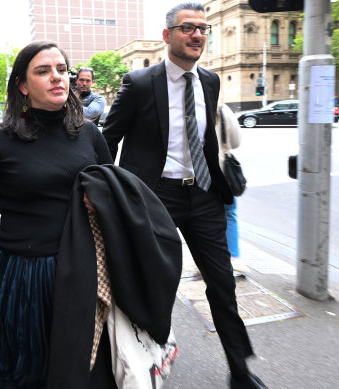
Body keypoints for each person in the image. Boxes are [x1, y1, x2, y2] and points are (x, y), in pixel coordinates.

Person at [102, 3, 267, 389]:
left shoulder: (209, 81)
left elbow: (207, 139)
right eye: (188, 28)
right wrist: (103, 191)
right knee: (154, 281)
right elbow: (107, 139)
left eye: (203, 29)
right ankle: (142, 361)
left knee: (223, 284)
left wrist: (219, 183)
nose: (197, 35)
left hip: (204, 195)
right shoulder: (140, 83)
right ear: (167, 35)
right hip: (155, 197)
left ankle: (240, 371)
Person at [0, 41, 114, 388]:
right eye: (43, 71)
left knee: (86, 374)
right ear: (22, 85)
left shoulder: (90, 135)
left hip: (82, 275)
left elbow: (116, 204)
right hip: (23, 280)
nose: (57, 77)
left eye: (62, 70)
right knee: (25, 376)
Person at [216, 103, 246, 272]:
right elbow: (235, 142)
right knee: (229, 214)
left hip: (196, 177)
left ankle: (209, 258)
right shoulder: (221, 109)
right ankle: (234, 257)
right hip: (223, 173)